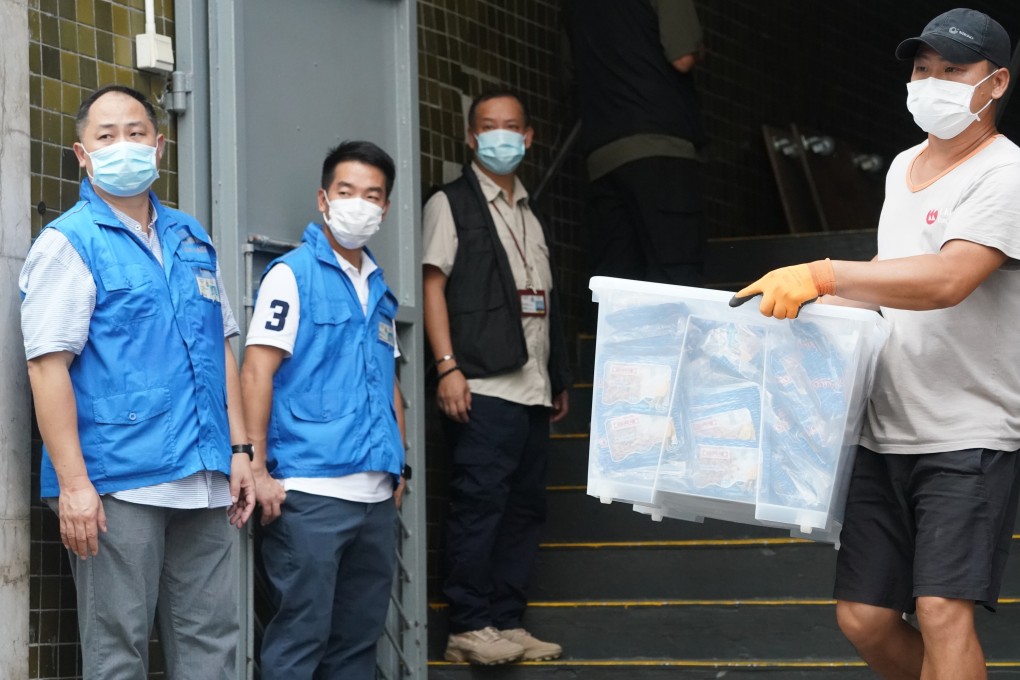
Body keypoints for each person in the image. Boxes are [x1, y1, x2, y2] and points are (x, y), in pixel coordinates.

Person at [730, 9, 1020, 679]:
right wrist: (796, 313)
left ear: (997, 82)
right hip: (881, 429)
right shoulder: (901, 167)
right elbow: (890, 282)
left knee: (942, 610)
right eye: (923, 69)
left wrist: (824, 273)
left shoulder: (1005, 173)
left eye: (954, 70)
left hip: (967, 432)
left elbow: (948, 279)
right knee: (864, 619)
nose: (932, 82)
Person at [19, 85, 256, 679]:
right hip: (118, 484)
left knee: (213, 647)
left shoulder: (191, 237)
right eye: (106, 136)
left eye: (136, 132)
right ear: (82, 155)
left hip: (205, 480)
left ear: (159, 145)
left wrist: (241, 450)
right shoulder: (69, 243)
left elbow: (220, 347)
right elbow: (46, 367)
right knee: (117, 651)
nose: (123, 144)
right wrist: (74, 485)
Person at [241, 141, 407, 679]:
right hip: (310, 494)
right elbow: (256, 371)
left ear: (385, 208)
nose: (359, 204)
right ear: (323, 199)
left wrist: (399, 465)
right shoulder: (291, 276)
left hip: (375, 499)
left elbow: (388, 383)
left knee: (356, 647)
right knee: (299, 641)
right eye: (346, 191)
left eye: (372, 196)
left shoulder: (379, 290)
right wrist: (257, 468)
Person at [422, 89, 572, 665]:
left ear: (528, 137)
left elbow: (546, 304)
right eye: (488, 126)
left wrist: (557, 376)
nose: (500, 136)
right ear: (470, 137)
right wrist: (447, 367)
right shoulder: (450, 203)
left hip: (532, 387)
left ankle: (508, 620)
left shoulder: (532, 213)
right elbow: (433, 285)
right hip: (481, 383)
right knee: (478, 505)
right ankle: (468, 625)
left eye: (511, 126)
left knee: (524, 509)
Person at [564, 0, 706, 286]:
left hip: (601, 156)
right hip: (659, 145)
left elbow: (570, 74)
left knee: (617, 286)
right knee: (674, 278)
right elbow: (682, 56)